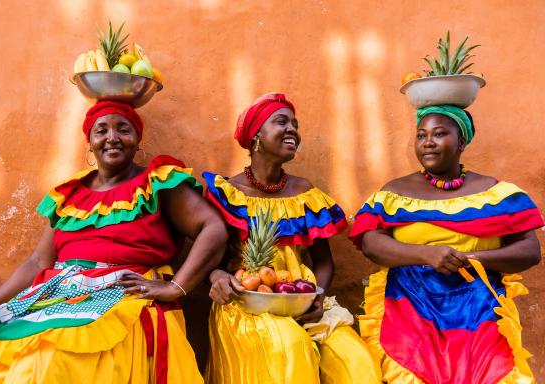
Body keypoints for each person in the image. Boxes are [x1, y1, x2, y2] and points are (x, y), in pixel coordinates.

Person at [0, 101, 228, 383]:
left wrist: (175, 287)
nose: (112, 137)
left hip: (121, 294)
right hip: (60, 294)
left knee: (53, 357)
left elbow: (213, 228)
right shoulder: (71, 194)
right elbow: (38, 262)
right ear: (90, 143)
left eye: (123, 129)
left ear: (137, 139)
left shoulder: (155, 182)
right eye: (101, 130)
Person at [349, 105, 544, 383]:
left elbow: (529, 250)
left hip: (480, 304)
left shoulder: (496, 194)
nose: (428, 142)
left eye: (439, 134)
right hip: (409, 303)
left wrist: (473, 258)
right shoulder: (395, 193)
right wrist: (426, 255)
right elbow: (371, 243)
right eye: (421, 135)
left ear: (462, 141)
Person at [203, 93, 382, 384]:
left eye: (295, 125)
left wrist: (318, 297)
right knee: (291, 349)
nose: (292, 130)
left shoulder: (304, 193)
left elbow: (324, 261)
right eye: (281, 122)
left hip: (303, 298)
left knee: (356, 361)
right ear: (256, 136)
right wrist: (217, 278)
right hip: (248, 304)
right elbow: (209, 262)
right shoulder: (227, 193)